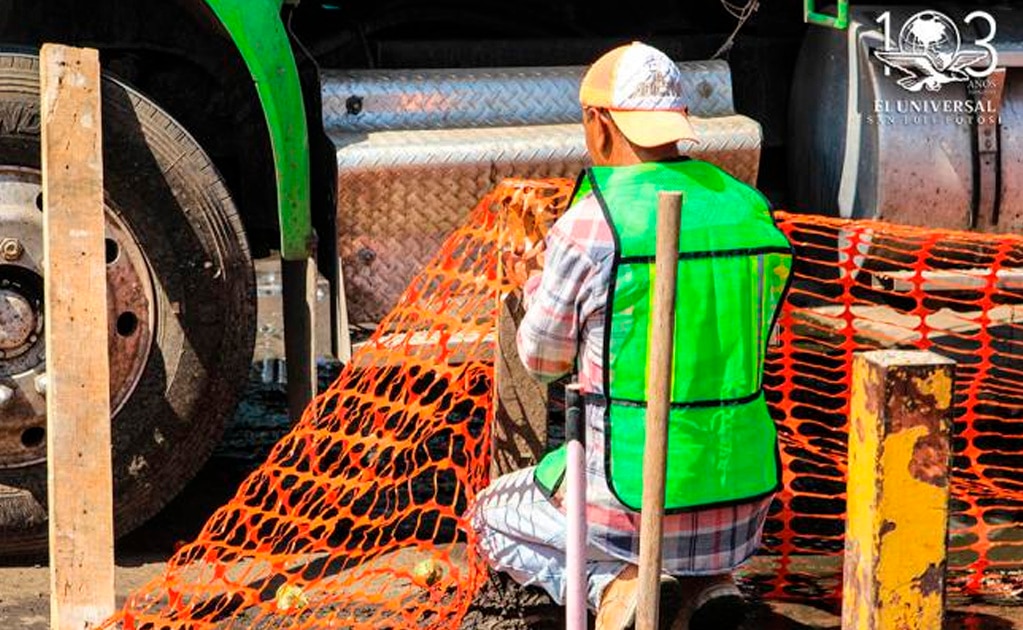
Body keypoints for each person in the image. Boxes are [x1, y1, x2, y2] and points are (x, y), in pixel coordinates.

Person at [470, 41, 793, 630]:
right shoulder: (752, 209)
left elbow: (542, 359)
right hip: (743, 505)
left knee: (491, 515)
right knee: (686, 504)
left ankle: (617, 589)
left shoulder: (594, 221)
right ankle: (709, 585)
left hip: (627, 505)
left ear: (598, 123)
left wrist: (540, 286)